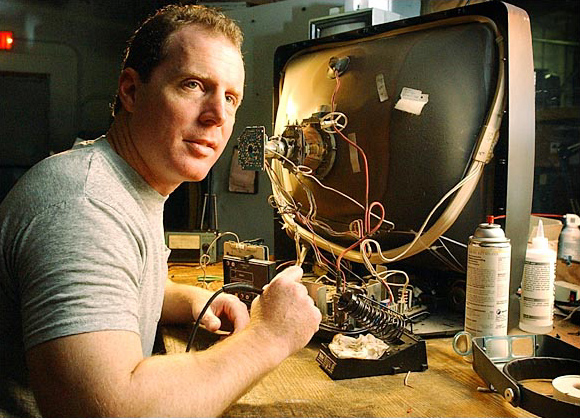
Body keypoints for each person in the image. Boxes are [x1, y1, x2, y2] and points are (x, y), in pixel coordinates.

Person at [0, 4, 321, 417]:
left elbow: (110, 288)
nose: (218, 116)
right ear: (131, 91)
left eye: (230, 97)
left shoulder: (123, 185)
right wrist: (269, 336)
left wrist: (185, 299)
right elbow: (112, 409)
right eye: (193, 85)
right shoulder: (86, 207)